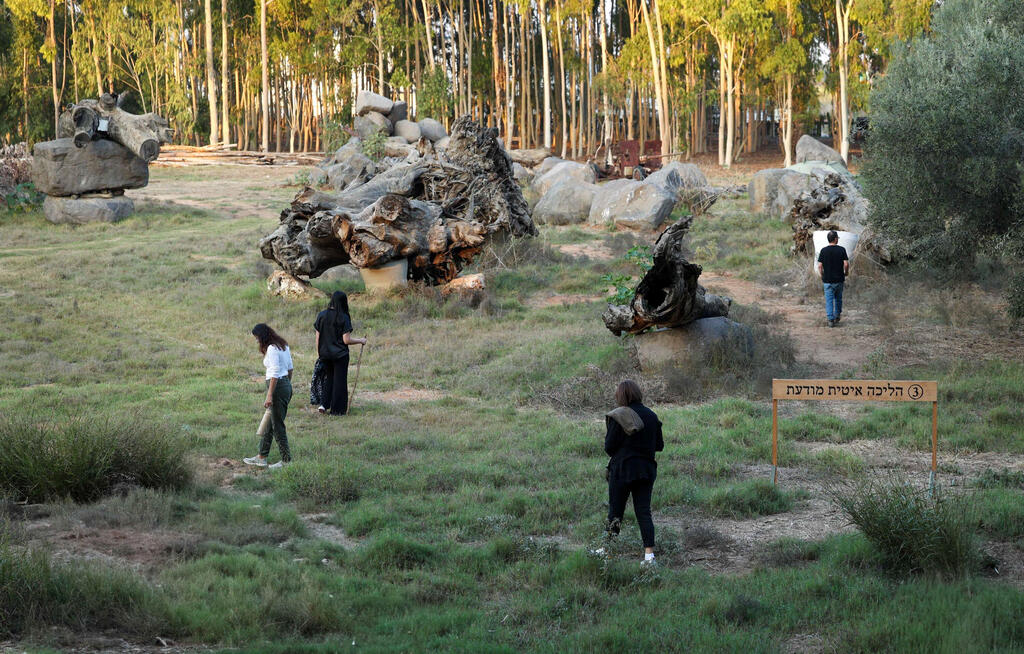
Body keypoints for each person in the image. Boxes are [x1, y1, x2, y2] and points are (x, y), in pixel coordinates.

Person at [604, 379, 664, 565]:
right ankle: (648, 556)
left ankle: (608, 552)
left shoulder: (619, 415)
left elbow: (609, 447)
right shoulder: (652, 416)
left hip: (622, 470)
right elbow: (659, 446)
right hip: (646, 470)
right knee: (644, 512)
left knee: (615, 512)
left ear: (621, 395)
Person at [244, 323, 293, 469]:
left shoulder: (272, 348)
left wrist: (270, 395)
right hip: (285, 386)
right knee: (270, 424)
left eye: (257, 337)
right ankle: (262, 456)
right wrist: (287, 385)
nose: (257, 341)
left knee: (277, 426)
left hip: (277, 388)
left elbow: (275, 373)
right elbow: (290, 368)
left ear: (263, 336)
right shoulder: (283, 345)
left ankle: (286, 461)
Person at [314, 291, 367, 415]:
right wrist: (361, 341)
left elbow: (318, 338)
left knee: (329, 378)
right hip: (340, 355)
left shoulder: (321, 315)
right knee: (340, 381)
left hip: (325, 354)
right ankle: (337, 410)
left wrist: (320, 354)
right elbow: (346, 340)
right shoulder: (344, 317)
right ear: (344, 302)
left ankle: (324, 404)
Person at [817, 230, 850, 328]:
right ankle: (837, 316)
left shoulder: (823, 250)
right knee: (838, 299)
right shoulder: (842, 250)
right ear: (835, 239)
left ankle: (830, 319)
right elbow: (846, 263)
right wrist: (846, 272)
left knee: (829, 300)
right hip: (839, 279)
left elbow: (819, 266)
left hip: (828, 280)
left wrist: (822, 274)